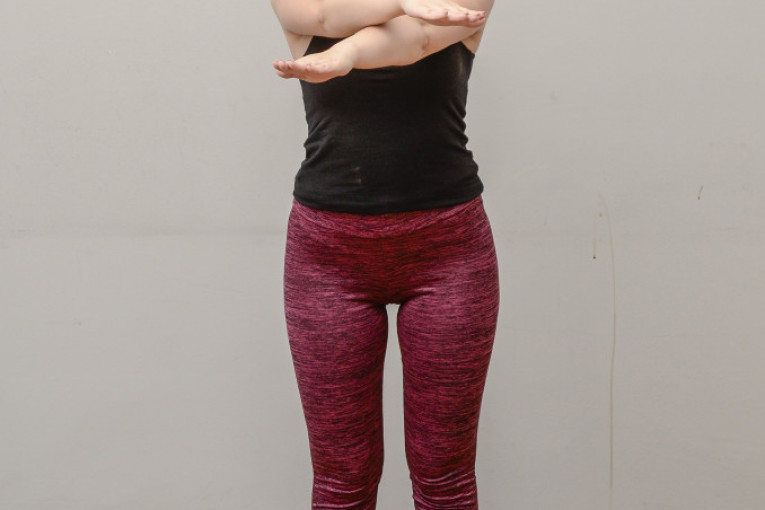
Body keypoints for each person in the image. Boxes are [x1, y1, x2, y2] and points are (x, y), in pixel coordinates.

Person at [270, 0, 498, 508]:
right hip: (328, 257)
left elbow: (418, 40)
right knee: (342, 481)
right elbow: (324, 18)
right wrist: (399, 2)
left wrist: (347, 55)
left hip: (447, 250)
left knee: (446, 479)